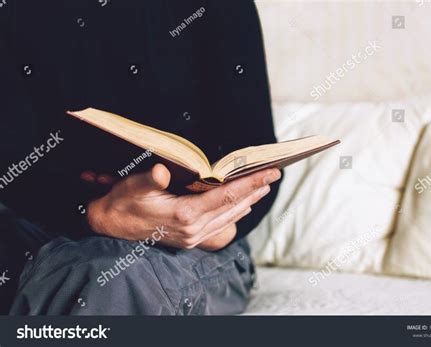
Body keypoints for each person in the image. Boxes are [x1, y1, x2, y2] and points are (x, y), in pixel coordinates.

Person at [0, 0, 281, 315]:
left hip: (185, 239)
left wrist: (215, 225)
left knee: (111, 281)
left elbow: (254, 149)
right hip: (33, 223)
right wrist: (96, 212)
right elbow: (13, 166)